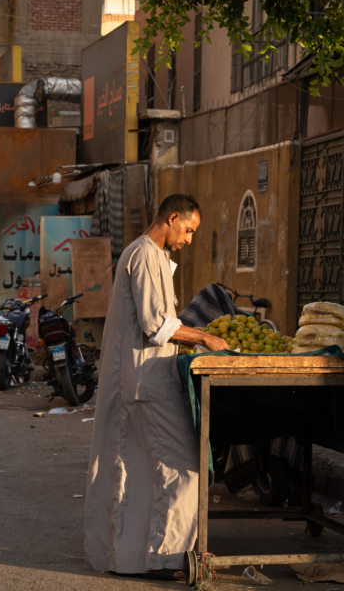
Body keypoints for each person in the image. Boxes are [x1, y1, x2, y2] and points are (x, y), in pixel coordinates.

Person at [84, 194, 228, 578]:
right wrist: (206, 339)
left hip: (141, 377)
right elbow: (158, 326)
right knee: (184, 466)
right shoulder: (146, 255)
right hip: (148, 381)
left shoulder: (145, 254)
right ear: (173, 217)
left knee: (142, 469)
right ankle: (166, 558)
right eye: (189, 230)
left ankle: (137, 556)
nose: (189, 239)